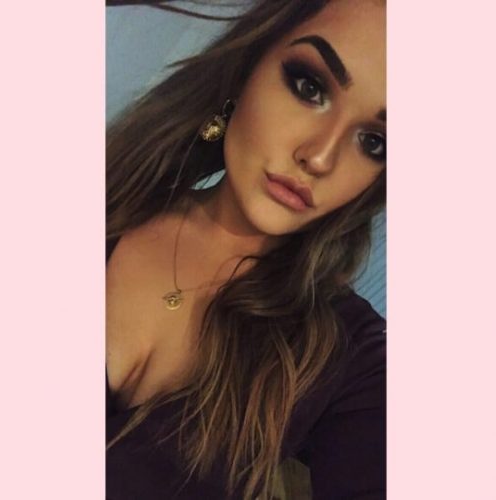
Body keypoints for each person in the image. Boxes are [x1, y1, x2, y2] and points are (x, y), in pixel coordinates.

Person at [106, 0, 386, 499]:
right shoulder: (100, 198)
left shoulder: (348, 353)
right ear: (248, 66)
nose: (320, 157)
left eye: (375, 142)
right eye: (310, 87)